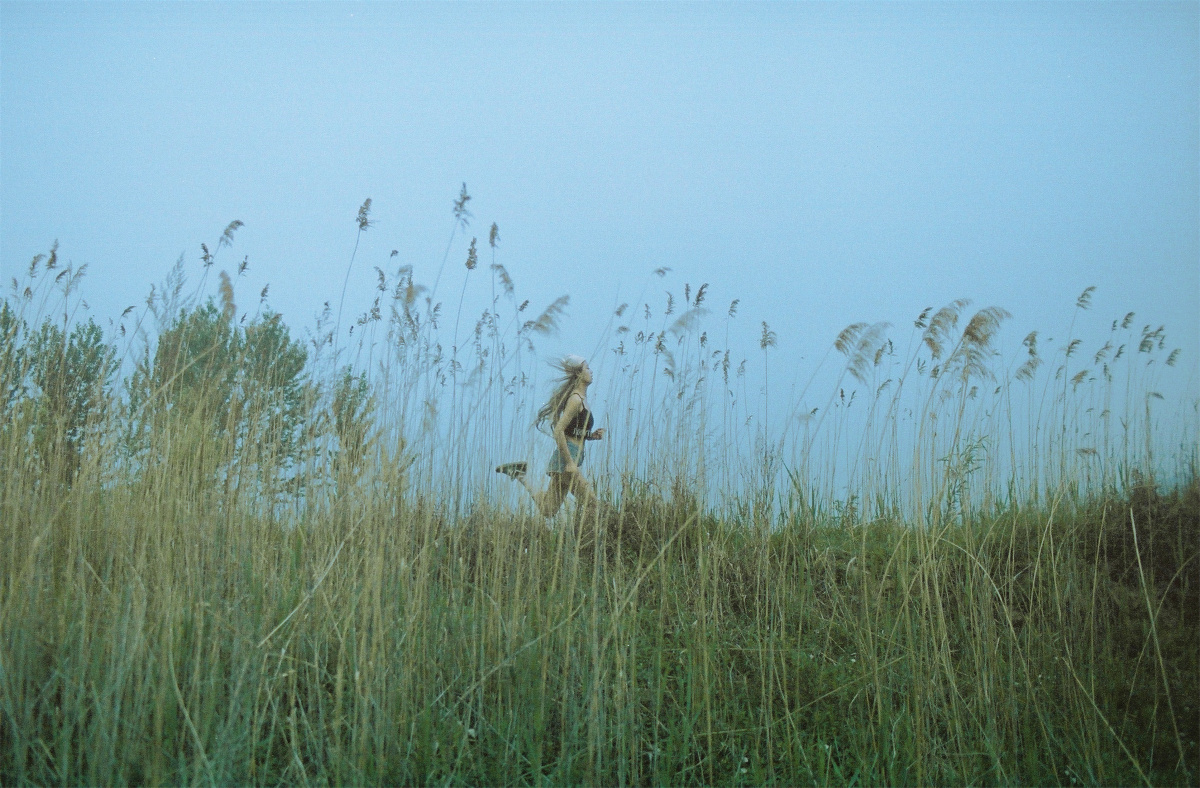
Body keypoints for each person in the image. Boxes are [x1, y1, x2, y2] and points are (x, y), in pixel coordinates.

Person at [496, 354, 605, 518]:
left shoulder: (582, 399)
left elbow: (572, 430)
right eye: (587, 368)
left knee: (548, 510)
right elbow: (558, 430)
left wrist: (591, 436)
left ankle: (521, 475)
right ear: (578, 374)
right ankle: (584, 540)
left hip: (571, 458)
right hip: (566, 460)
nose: (591, 371)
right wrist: (569, 463)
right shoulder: (575, 399)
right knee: (593, 504)